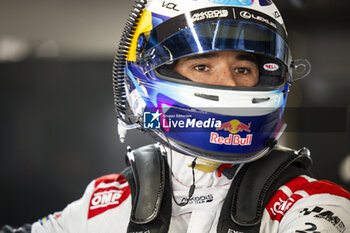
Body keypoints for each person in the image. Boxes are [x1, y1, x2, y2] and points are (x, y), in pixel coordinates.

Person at [2, 0, 350, 232]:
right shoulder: (108, 200)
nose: (228, 82)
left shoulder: (315, 204)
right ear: (152, 74)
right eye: (202, 66)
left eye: (243, 68)